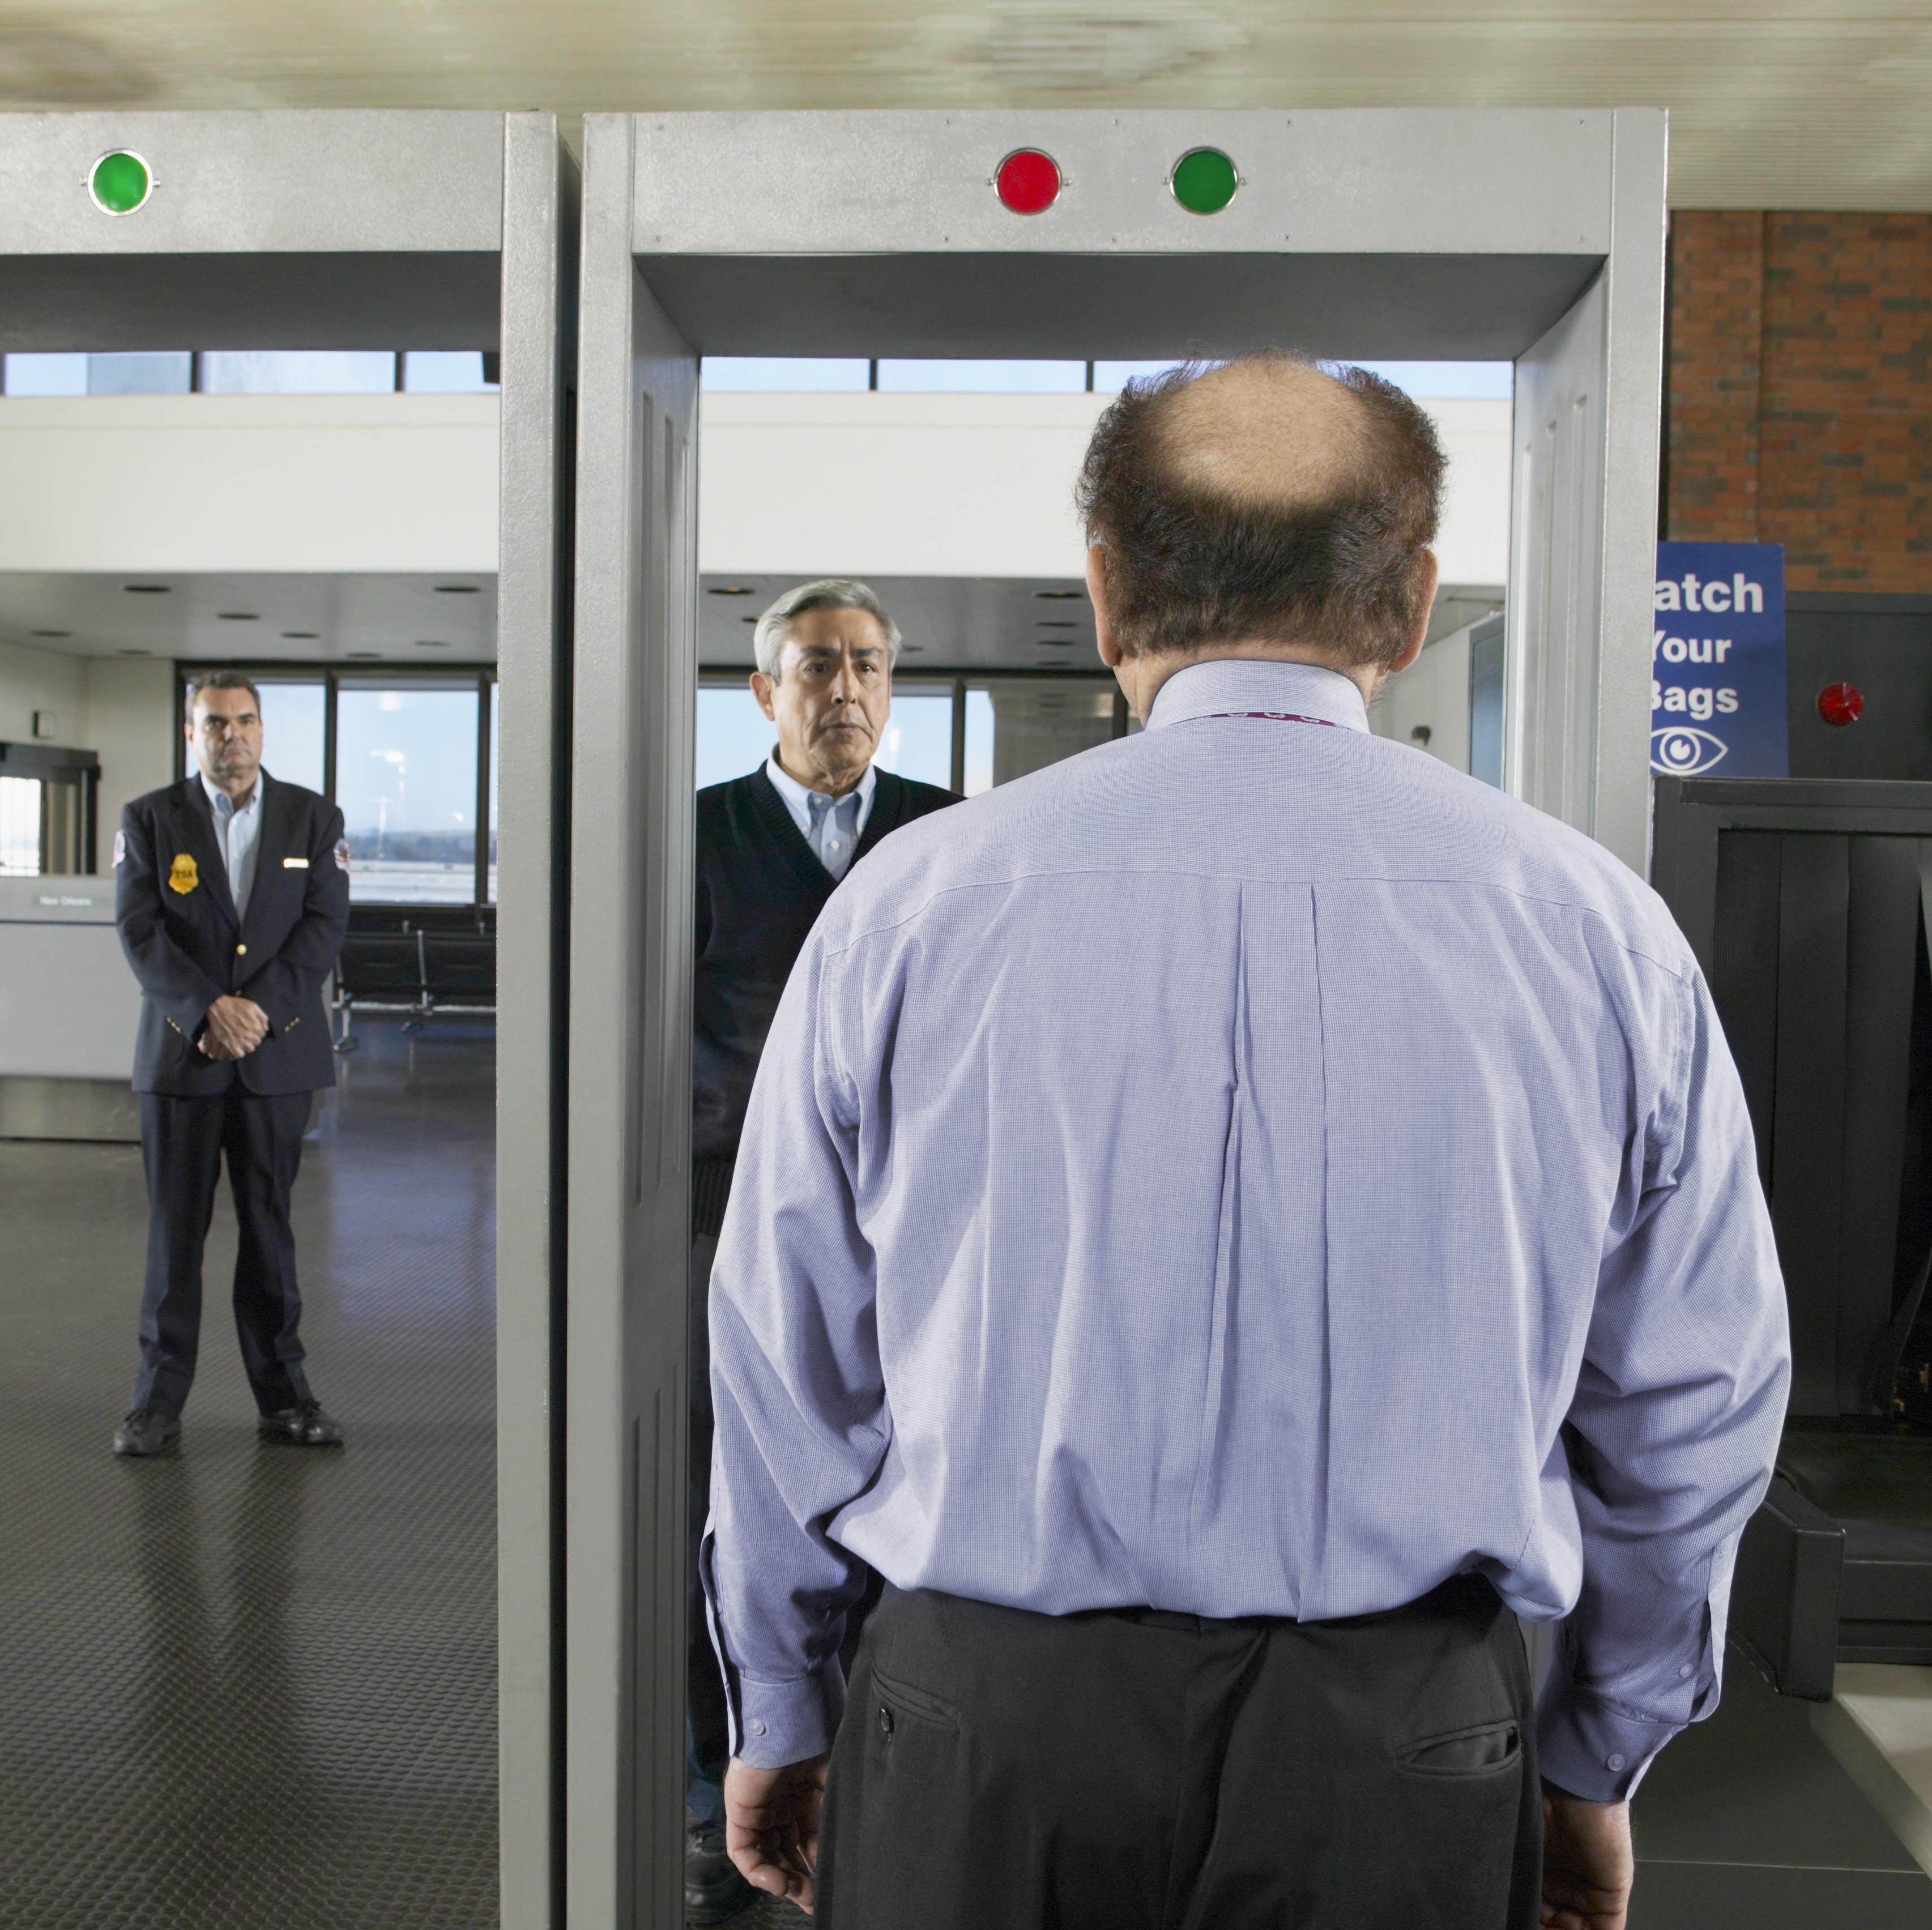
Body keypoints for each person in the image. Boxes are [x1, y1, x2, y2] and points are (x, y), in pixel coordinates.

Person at [702, 358, 1790, 1930]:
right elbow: (1695, 1406)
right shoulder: (1596, 931)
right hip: (1405, 1750)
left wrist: (785, 1707)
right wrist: (1589, 1753)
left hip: (978, 1739)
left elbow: (785, 1368)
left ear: (1102, 596)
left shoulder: (909, 907)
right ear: (1410, 606)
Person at [685, 579, 959, 1922]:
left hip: (921, 1235)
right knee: (743, 1501)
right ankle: (722, 1776)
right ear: (764, 693)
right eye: (813, 667)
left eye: (863, 666)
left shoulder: (950, 836)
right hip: (733, 1220)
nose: (841, 689)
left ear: (889, 688)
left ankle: (876, 1767)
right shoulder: (697, 836)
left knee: (904, 1496)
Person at [109, 672, 355, 1459]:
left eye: (244, 720)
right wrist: (207, 1010)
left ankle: (285, 1399)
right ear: (192, 733)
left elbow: (322, 930)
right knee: (174, 1237)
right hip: (184, 1061)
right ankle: (155, 1404)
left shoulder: (314, 819)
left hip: (274, 1059)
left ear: (262, 728)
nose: (232, 736)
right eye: (214, 724)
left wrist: (253, 1015)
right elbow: (140, 931)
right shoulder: (149, 819)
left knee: (270, 1234)